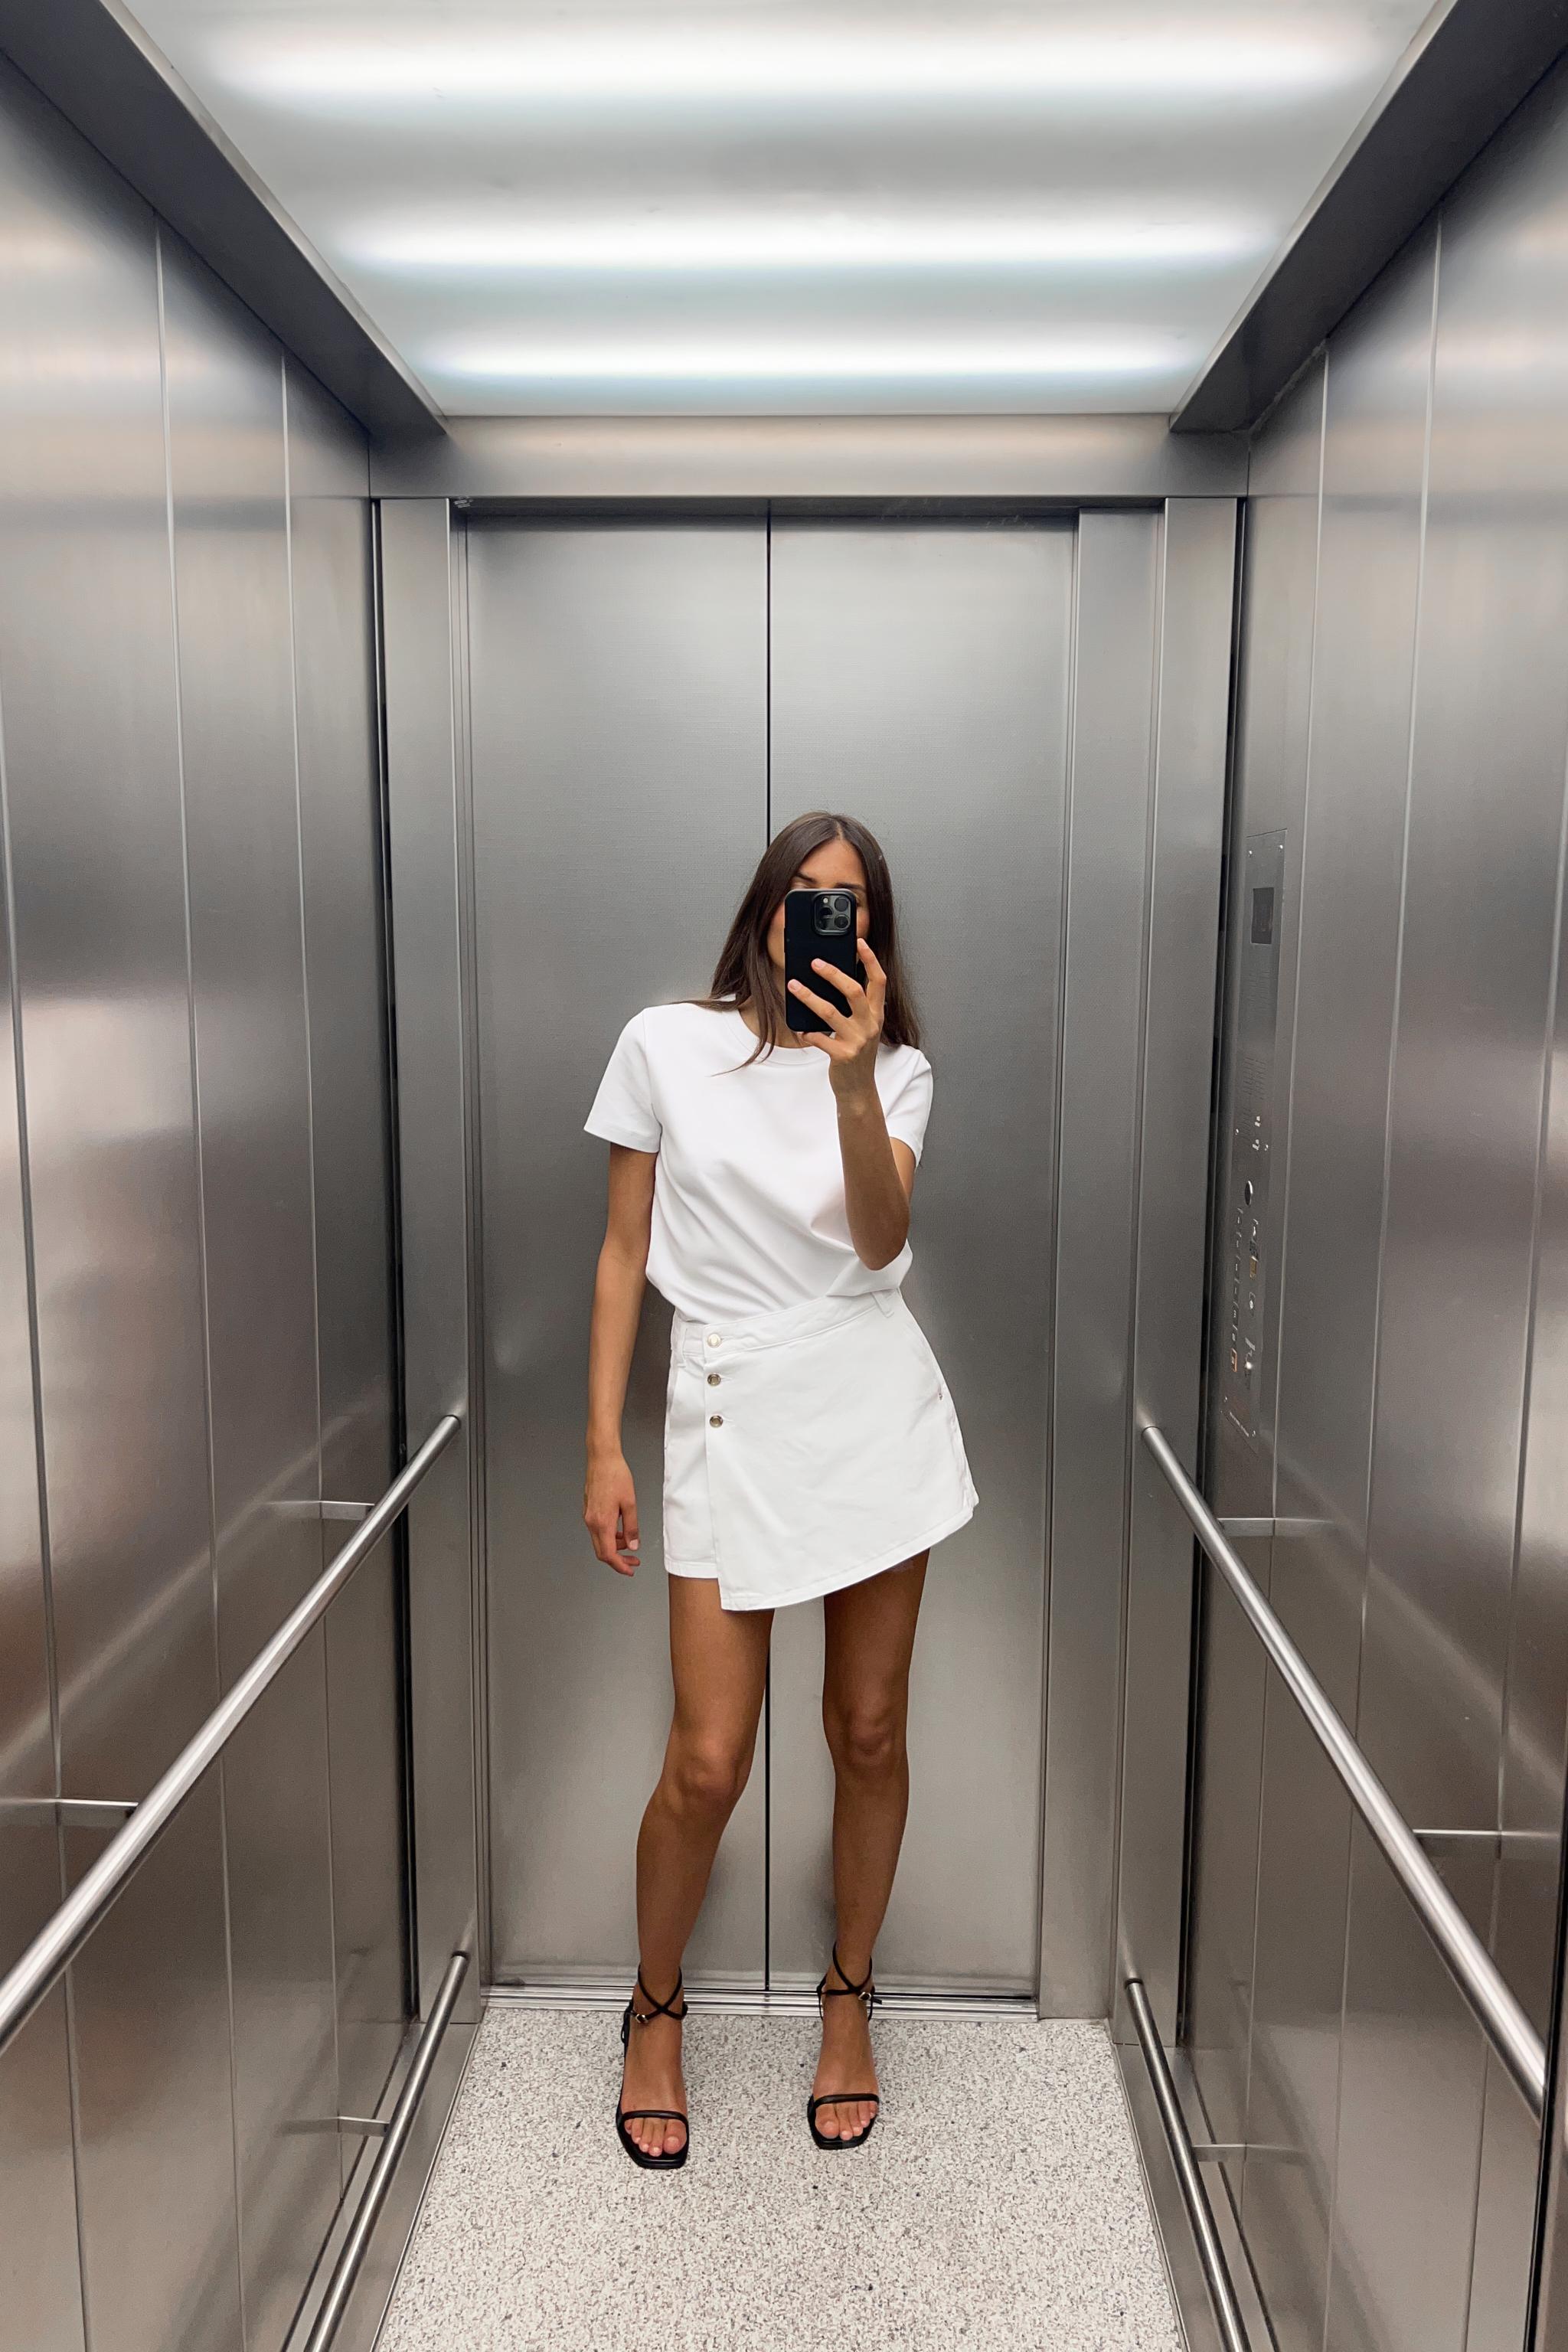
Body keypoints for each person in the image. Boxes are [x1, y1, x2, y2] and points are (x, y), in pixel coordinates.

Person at [582, 809, 977, 2170]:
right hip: (723, 1405)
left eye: (848, 905)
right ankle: (653, 2008)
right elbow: (623, 1252)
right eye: (803, 895)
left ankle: (849, 1994)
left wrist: (854, 1081)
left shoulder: (901, 1071)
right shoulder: (663, 1044)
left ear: (873, 937)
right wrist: (601, 1444)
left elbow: (880, 1243)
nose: (821, 920)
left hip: (868, 1405)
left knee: (868, 1731)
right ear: (763, 910)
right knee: (707, 1760)